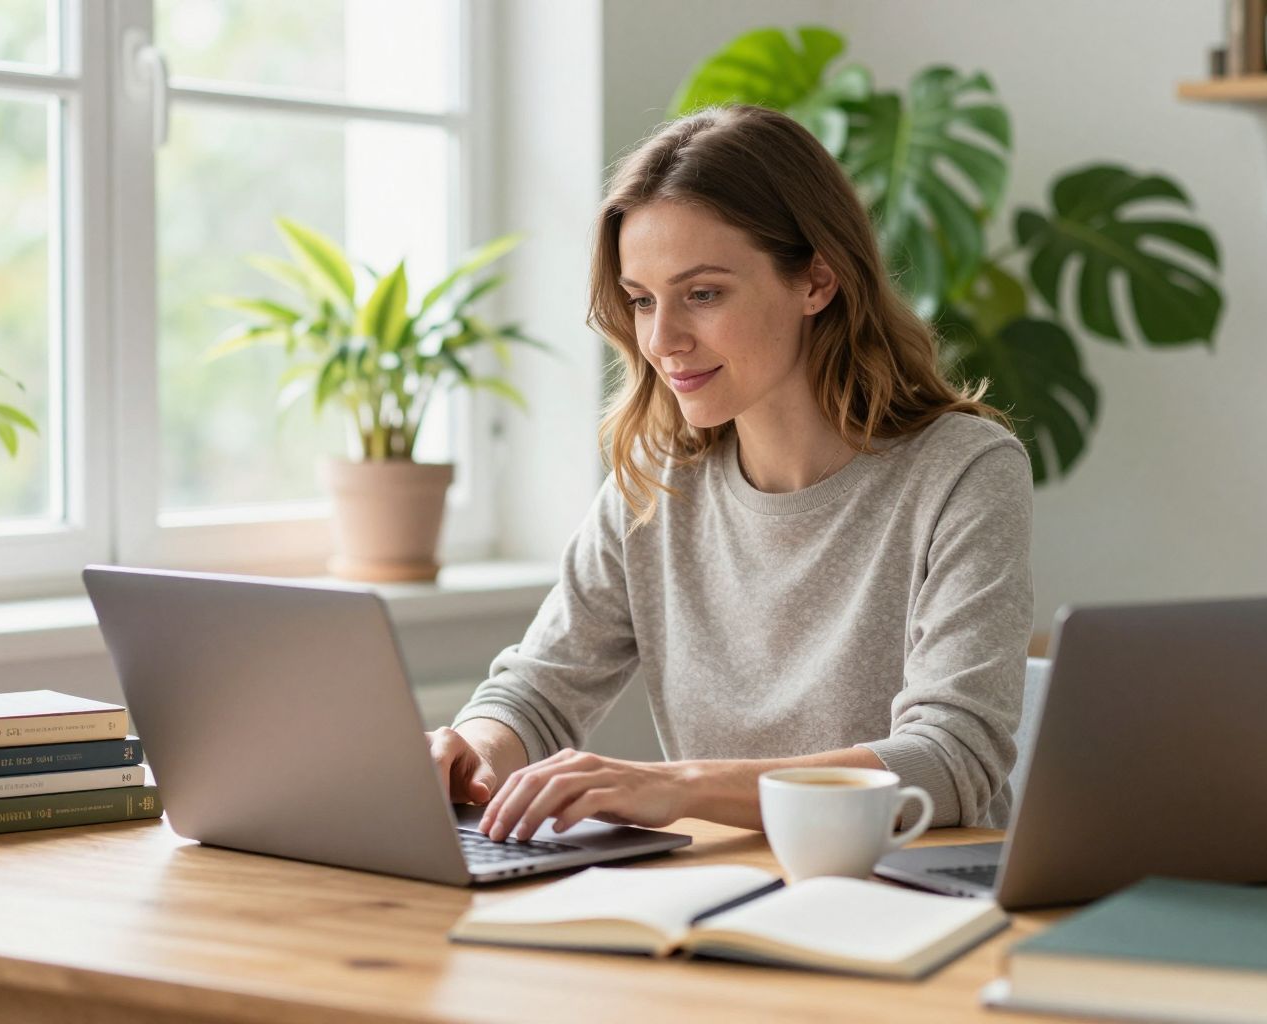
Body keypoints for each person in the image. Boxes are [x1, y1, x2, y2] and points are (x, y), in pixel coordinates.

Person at [428, 104, 1032, 844]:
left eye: (703, 294)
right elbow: (540, 688)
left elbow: (950, 761)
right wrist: (473, 746)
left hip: (915, 896)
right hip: (723, 889)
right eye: (642, 300)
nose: (662, 339)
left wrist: (673, 785)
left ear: (817, 280)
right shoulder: (654, 480)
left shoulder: (963, 472)